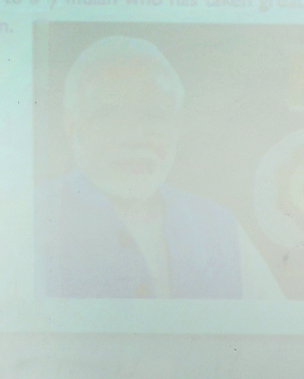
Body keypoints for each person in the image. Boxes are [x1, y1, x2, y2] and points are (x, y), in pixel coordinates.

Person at [37, 35, 282, 299]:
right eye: (107, 115)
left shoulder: (220, 229)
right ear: (71, 125)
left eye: (153, 116)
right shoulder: (30, 221)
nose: (133, 137)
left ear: (176, 126)